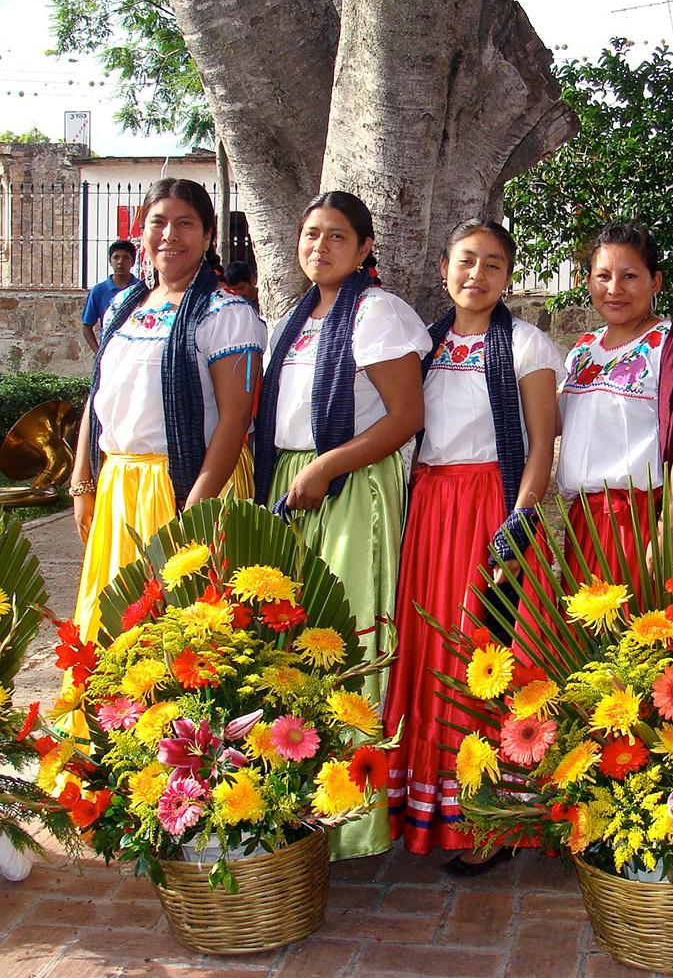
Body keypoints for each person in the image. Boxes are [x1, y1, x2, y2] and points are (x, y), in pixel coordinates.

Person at [252, 190, 429, 861]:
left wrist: (328, 465)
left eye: (335, 237)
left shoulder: (379, 313)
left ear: (364, 249)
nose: (319, 247)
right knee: (289, 638)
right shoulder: (293, 318)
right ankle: (291, 794)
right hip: (292, 482)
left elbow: (405, 415)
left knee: (345, 635)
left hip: (352, 484)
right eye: (310, 234)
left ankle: (351, 814)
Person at [383, 219, 563, 869]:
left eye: (492, 264)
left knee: (483, 655)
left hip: (491, 509)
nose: (476, 275)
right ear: (443, 268)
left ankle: (487, 820)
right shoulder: (422, 344)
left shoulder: (527, 346)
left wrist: (517, 523)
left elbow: (542, 442)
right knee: (428, 649)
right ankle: (428, 807)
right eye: (466, 261)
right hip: (430, 510)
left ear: (508, 277)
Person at [70, 177, 265, 659]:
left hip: (184, 483)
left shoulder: (227, 314)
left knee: (180, 634)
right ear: (141, 232)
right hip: (119, 485)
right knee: (115, 627)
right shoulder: (123, 306)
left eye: (185, 224)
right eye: (158, 222)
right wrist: (81, 481)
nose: (169, 236)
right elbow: (99, 398)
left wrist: (196, 505)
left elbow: (235, 419)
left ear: (208, 236)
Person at [557, 223, 673, 595]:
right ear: (587, 281)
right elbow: (555, 422)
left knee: (637, 645)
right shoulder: (582, 350)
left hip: (641, 522)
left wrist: (671, 529)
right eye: (603, 276)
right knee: (583, 646)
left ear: (655, 281)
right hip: (583, 524)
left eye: (630, 276)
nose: (614, 289)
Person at [80, 239, 136, 352]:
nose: (120, 262)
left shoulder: (141, 289)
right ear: (110, 261)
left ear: (133, 262)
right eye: (116, 257)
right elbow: (87, 327)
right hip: (109, 351)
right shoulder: (99, 291)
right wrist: (99, 353)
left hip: (135, 351)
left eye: (126, 258)